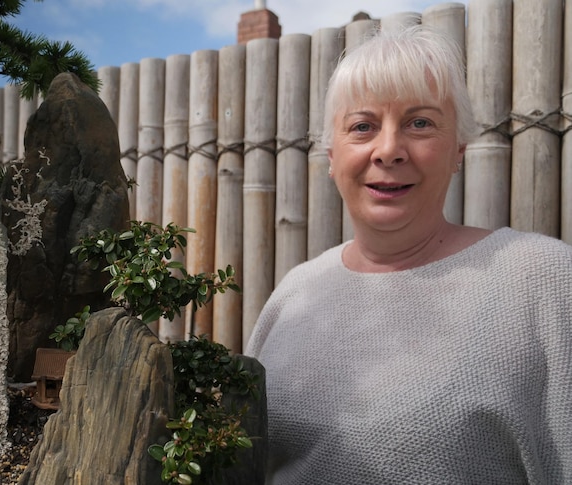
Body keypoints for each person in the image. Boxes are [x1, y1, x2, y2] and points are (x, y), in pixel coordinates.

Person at [245, 25, 572, 484]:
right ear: (331, 156)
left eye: (420, 123)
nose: (389, 150)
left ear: (458, 150)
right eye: (363, 126)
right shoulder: (295, 293)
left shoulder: (545, 281)